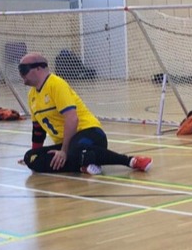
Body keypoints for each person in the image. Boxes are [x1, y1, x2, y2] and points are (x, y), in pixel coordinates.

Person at [19, 53, 152, 175]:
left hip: (89, 134)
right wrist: (35, 153)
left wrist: (64, 151)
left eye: (24, 70)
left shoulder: (56, 84)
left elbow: (72, 119)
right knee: (31, 158)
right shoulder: (32, 95)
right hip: (67, 143)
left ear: (38, 68)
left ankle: (130, 161)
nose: (21, 74)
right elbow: (38, 131)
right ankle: (83, 164)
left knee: (76, 150)